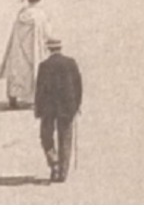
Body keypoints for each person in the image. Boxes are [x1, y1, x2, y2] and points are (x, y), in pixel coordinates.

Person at [34, 36, 82, 183]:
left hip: (48, 109)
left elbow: (39, 90)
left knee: (46, 137)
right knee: (65, 139)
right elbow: (78, 87)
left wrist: (38, 109)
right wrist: (76, 105)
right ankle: (63, 172)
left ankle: (53, 162)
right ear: (60, 48)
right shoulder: (71, 63)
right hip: (67, 108)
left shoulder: (44, 65)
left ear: (49, 49)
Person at [0, 0, 51, 109]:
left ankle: (13, 98)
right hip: (35, 49)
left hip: (19, 50)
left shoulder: (21, 14)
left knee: (18, 72)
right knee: (35, 71)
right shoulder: (40, 14)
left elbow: (15, 32)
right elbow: (46, 32)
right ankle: (36, 99)